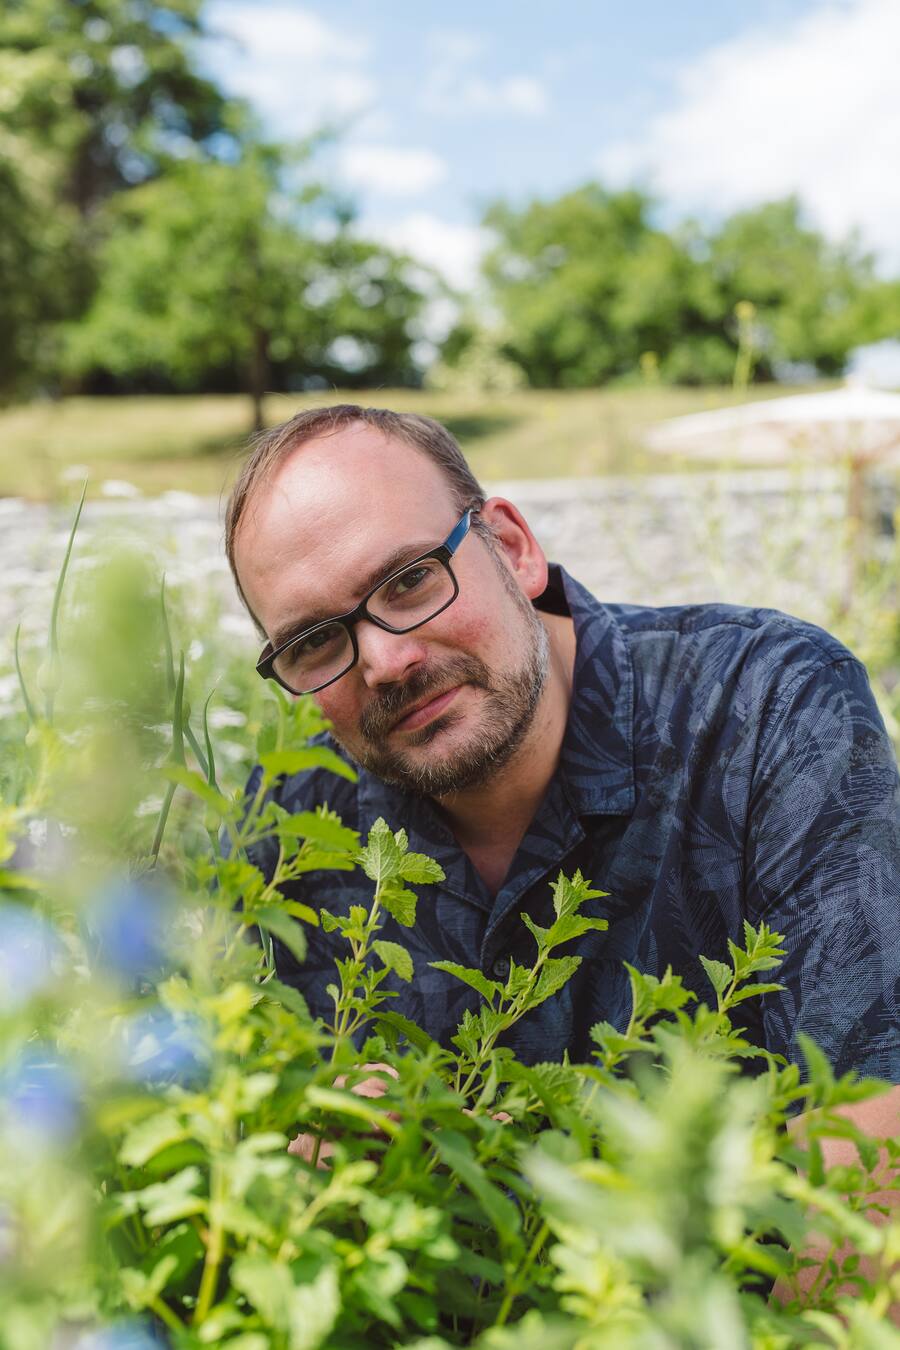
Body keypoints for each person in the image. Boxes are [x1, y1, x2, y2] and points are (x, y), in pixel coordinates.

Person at [226, 403, 900, 1096]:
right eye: (314, 641)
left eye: (410, 579)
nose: (387, 661)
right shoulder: (294, 821)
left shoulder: (765, 707)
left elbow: (869, 1151)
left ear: (514, 549)